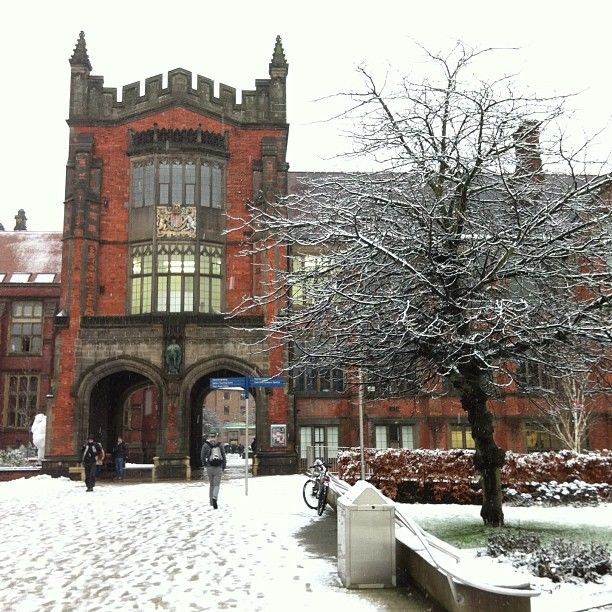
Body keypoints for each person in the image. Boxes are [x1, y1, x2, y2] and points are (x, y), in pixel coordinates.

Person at [200, 430, 226, 509]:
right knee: (216, 485)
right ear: (216, 436)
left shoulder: (205, 445)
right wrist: (223, 466)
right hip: (218, 467)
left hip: (209, 467)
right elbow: (223, 456)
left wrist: (204, 463)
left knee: (211, 485)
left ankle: (211, 502)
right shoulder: (220, 445)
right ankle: (215, 497)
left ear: (209, 437)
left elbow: (202, 456)